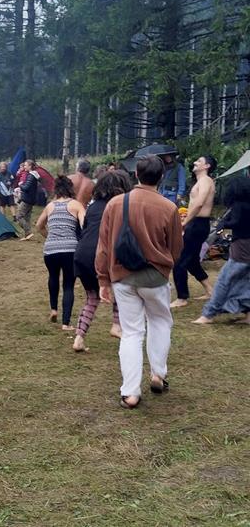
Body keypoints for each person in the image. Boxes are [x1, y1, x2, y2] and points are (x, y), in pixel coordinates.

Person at [96, 155, 183, 409]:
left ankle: (131, 393)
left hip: (122, 276)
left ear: (136, 175)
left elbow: (103, 247)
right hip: (155, 277)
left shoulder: (115, 204)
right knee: (160, 322)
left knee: (131, 332)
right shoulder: (169, 208)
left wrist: (103, 279)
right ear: (162, 176)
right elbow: (176, 249)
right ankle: (158, 374)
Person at [71, 171, 133, 352]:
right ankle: (117, 325)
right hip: (102, 254)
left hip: (82, 254)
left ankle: (79, 338)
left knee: (92, 297)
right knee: (121, 290)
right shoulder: (120, 206)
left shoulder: (92, 206)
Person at [193, 176, 250, 325]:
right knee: (246, 280)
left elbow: (234, 224)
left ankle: (208, 314)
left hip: (242, 248)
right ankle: (249, 315)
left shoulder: (238, 206)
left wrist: (223, 226)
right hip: (246, 246)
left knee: (225, 280)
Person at [36, 176, 86, 330]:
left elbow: (39, 225)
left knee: (53, 277)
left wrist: (49, 236)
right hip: (70, 249)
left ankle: (53, 309)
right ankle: (65, 323)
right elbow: (85, 226)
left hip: (50, 249)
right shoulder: (76, 205)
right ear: (71, 188)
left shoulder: (50, 206)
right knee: (68, 285)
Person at [170, 155, 217, 308]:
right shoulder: (200, 181)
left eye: (199, 161)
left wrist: (185, 221)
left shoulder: (206, 181)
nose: (195, 163)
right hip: (196, 223)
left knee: (179, 260)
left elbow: (199, 204)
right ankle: (210, 290)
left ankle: (182, 298)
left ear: (207, 166)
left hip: (197, 224)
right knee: (191, 260)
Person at [16, 160, 42, 240]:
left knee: (19, 216)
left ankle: (29, 232)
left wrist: (20, 185)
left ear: (30, 166)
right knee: (27, 217)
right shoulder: (35, 175)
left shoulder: (31, 176)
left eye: (25, 165)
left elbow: (26, 188)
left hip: (27, 199)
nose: (24, 167)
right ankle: (27, 235)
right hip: (31, 199)